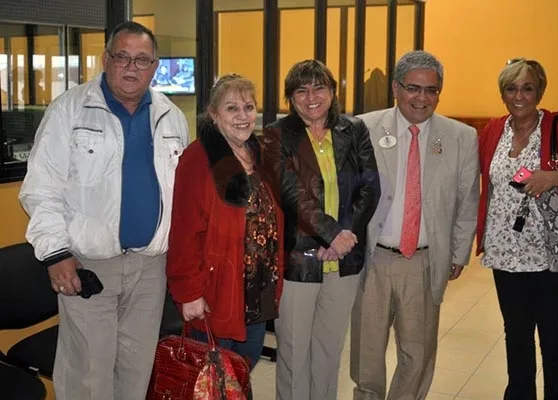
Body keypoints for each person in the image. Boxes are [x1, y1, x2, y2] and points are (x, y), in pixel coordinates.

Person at [18, 21, 189, 400]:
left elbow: (182, 196)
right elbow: (41, 189)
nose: (131, 67)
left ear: (155, 66)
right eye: (122, 57)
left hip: (149, 268)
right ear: (105, 59)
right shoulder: (70, 110)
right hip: (89, 265)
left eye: (142, 60)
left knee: (136, 370)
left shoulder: (172, 118)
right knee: (88, 377)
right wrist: (55, 253)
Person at [350, 50, 480, 400]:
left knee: (417, 353)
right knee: (367, 354)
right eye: (413, 88)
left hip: (424, 261)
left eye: (432, 90)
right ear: (396, 88)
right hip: (373, 259)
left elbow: (468, 200)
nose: (422, 98)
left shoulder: (461, 137)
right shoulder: (363, 127)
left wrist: (458, 252)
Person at [477, 58, 558, 400]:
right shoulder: (493, 131)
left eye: (527, 88)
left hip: (552, 256)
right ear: (503, 92)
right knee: (516, 338)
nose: (519, 96)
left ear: (540, 91)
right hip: (504, 254)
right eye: (511, 88)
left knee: (556, 342)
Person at [262, 59, 381, 400]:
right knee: (294, 353)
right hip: (299, 259)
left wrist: (345, 237)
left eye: (319, 87)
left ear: (332, 92)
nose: (311, 96)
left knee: (329, 353)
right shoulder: (277, 133)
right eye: (301, 90)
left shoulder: (353, 129)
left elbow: (369, 186)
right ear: (291, 97)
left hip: (344, 259)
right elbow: (290, 193)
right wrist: (331, 234)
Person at [166, 74, 285, 377]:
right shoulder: (199, 158)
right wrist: (189, 293)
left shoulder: (259, 154)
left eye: (248, 106)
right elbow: (183, 232)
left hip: (256, 292)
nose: (243, 116)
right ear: (214, 114)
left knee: (242, 373)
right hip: (216, 293)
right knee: (213, 380)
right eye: (232, 108)